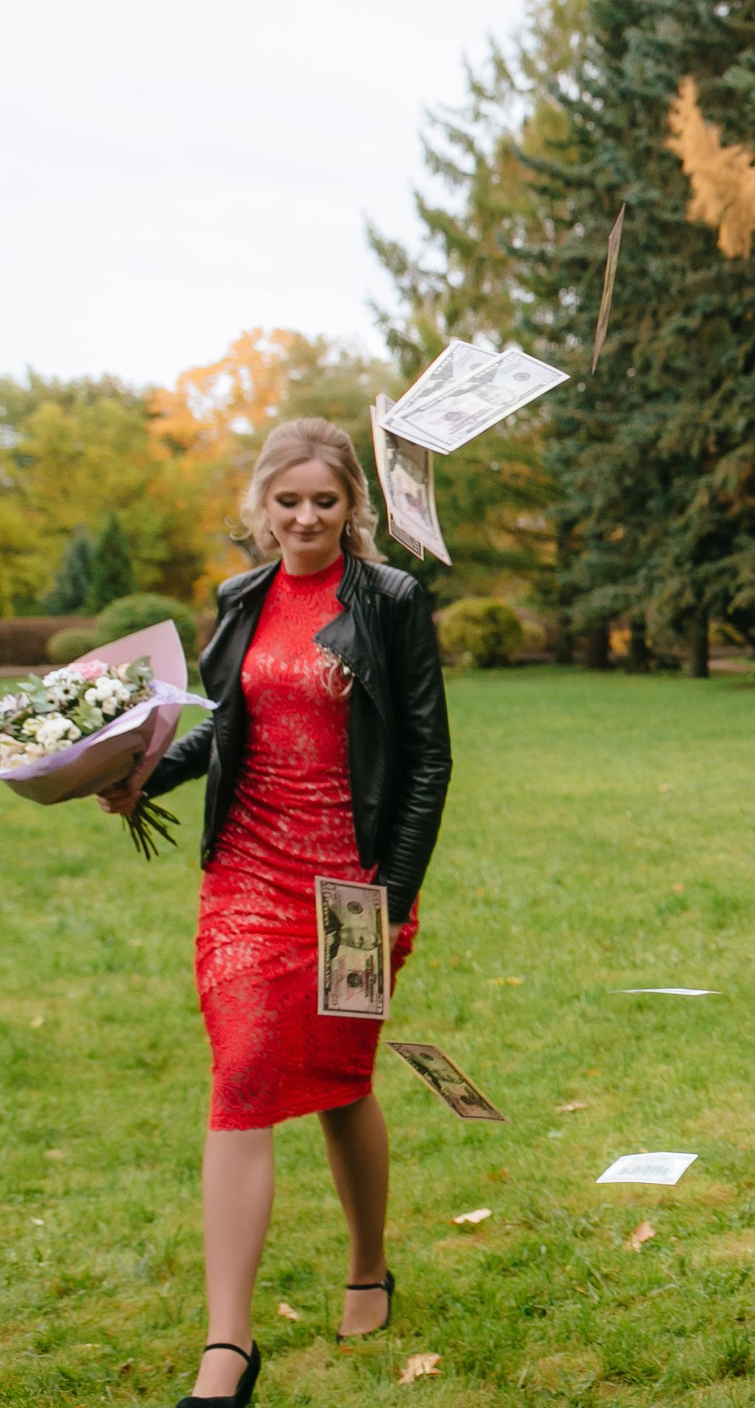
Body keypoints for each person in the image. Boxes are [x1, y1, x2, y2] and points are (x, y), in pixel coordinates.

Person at [100, 419, 451, 1408]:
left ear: (351, 506)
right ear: (262, 506)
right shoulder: (241, 597)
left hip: (352, 886)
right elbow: (228, 728)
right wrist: (141, 774)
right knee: (244, 1073)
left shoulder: (390, 600)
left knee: (341, 1084)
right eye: (287, 500)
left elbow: (428, 758)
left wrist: (392, 900)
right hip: (248, 876)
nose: (304, 517)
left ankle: (368, 1265)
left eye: (323, 501)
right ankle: (229, 1346)